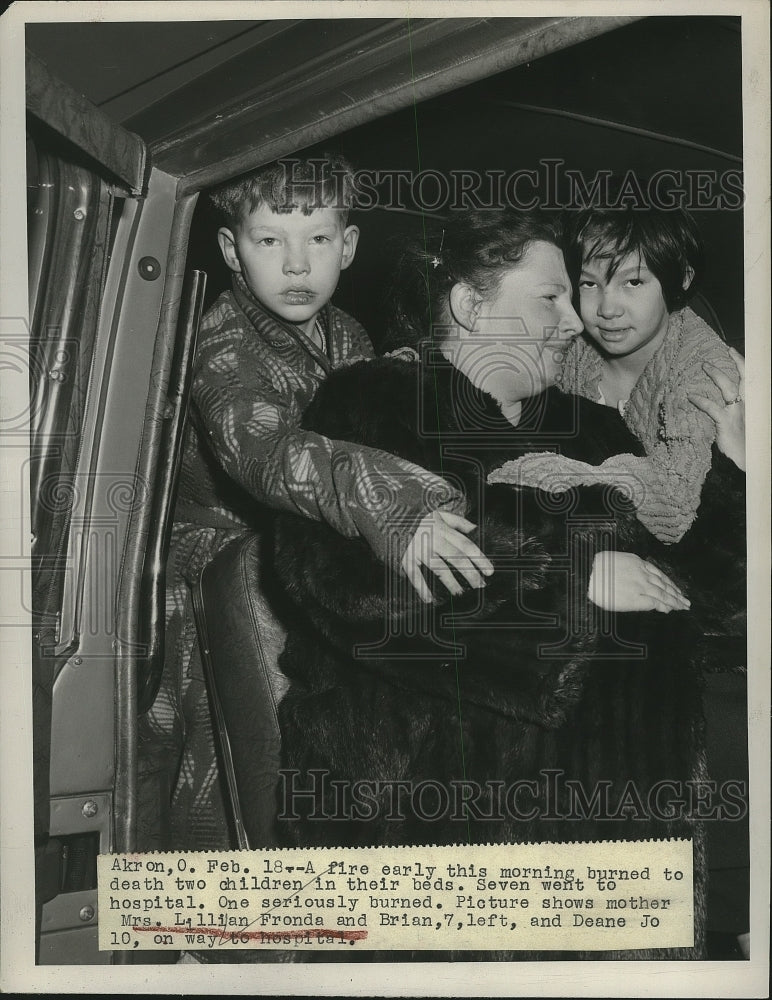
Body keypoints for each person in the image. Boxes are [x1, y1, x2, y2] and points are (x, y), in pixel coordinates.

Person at [269, 210, 744, 959]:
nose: (574, 322)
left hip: (627, 798)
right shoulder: (373, 400)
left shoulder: (594, 429)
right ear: (468, 305)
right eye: (551, 298)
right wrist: (575, 580)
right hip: (438, 800)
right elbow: (346, 581)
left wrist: (733, 469)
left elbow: (711, 590)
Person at [138, 155, 493, 851]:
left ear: (348, 246)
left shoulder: (347, 335)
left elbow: (357, 416)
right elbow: (267, 453)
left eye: (318, 241)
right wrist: (392, 505)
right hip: (214, 574)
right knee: (231, 761)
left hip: (310, 556)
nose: (297, 265)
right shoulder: (223, 343)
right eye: (270, 241)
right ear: (231, 250)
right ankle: (218, 936)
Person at [489, 201, 739, 545]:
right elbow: (499, 363)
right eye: (589, 285)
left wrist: (546, 475)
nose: (607, 309)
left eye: (632, 282)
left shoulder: (703, 369)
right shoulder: (575, 347)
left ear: (681, 278)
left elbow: (674, 500)